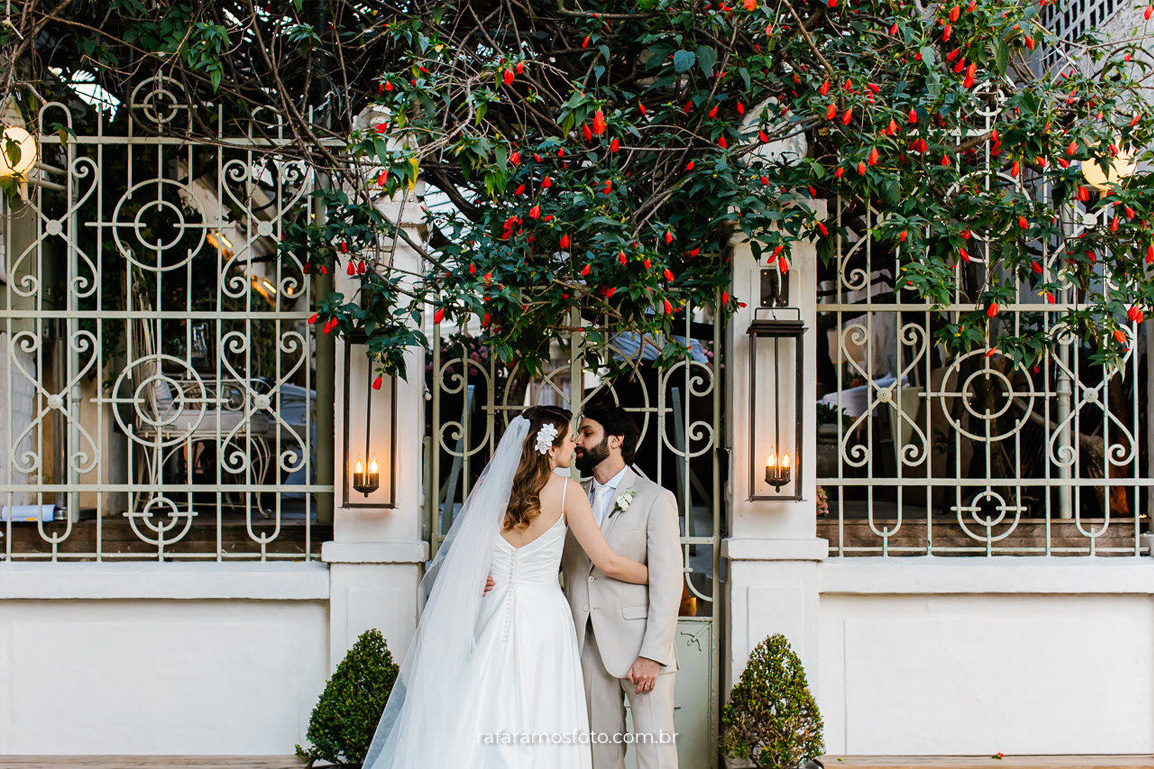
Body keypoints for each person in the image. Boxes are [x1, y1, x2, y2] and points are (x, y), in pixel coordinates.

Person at [362, 405, 649, 768]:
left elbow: (463, 554)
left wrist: (476, 573)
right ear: (549, 447)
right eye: (568, 437)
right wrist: (656, 574)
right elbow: (606, 562)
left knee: (481, 703)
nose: (574, 443)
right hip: (544, 619)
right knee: (541, 711)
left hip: (491, 611)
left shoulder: (492, 488)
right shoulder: (567, 492)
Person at [561, 400, 682, 769]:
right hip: (587, 645)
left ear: (615, 440)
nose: (578, 441)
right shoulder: (569, 496)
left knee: (655, 752)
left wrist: (653, 654)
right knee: (601, 754)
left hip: (640, 646)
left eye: (587, 432)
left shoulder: (655, 499)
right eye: (577, 434)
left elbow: (668, 582)